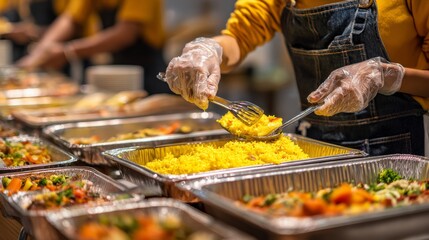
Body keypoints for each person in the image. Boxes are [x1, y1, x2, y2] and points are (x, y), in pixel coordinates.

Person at [164, 0, 429, 156]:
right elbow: (238, 36)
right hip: (312, 147)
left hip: (393, 154)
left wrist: (386, 76)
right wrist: (209, 50)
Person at [16, 0, 171, 95]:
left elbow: (126, 33)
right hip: (117, 69)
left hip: (150, 74)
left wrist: (67, 52)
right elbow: (70, 19)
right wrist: (40, 52)